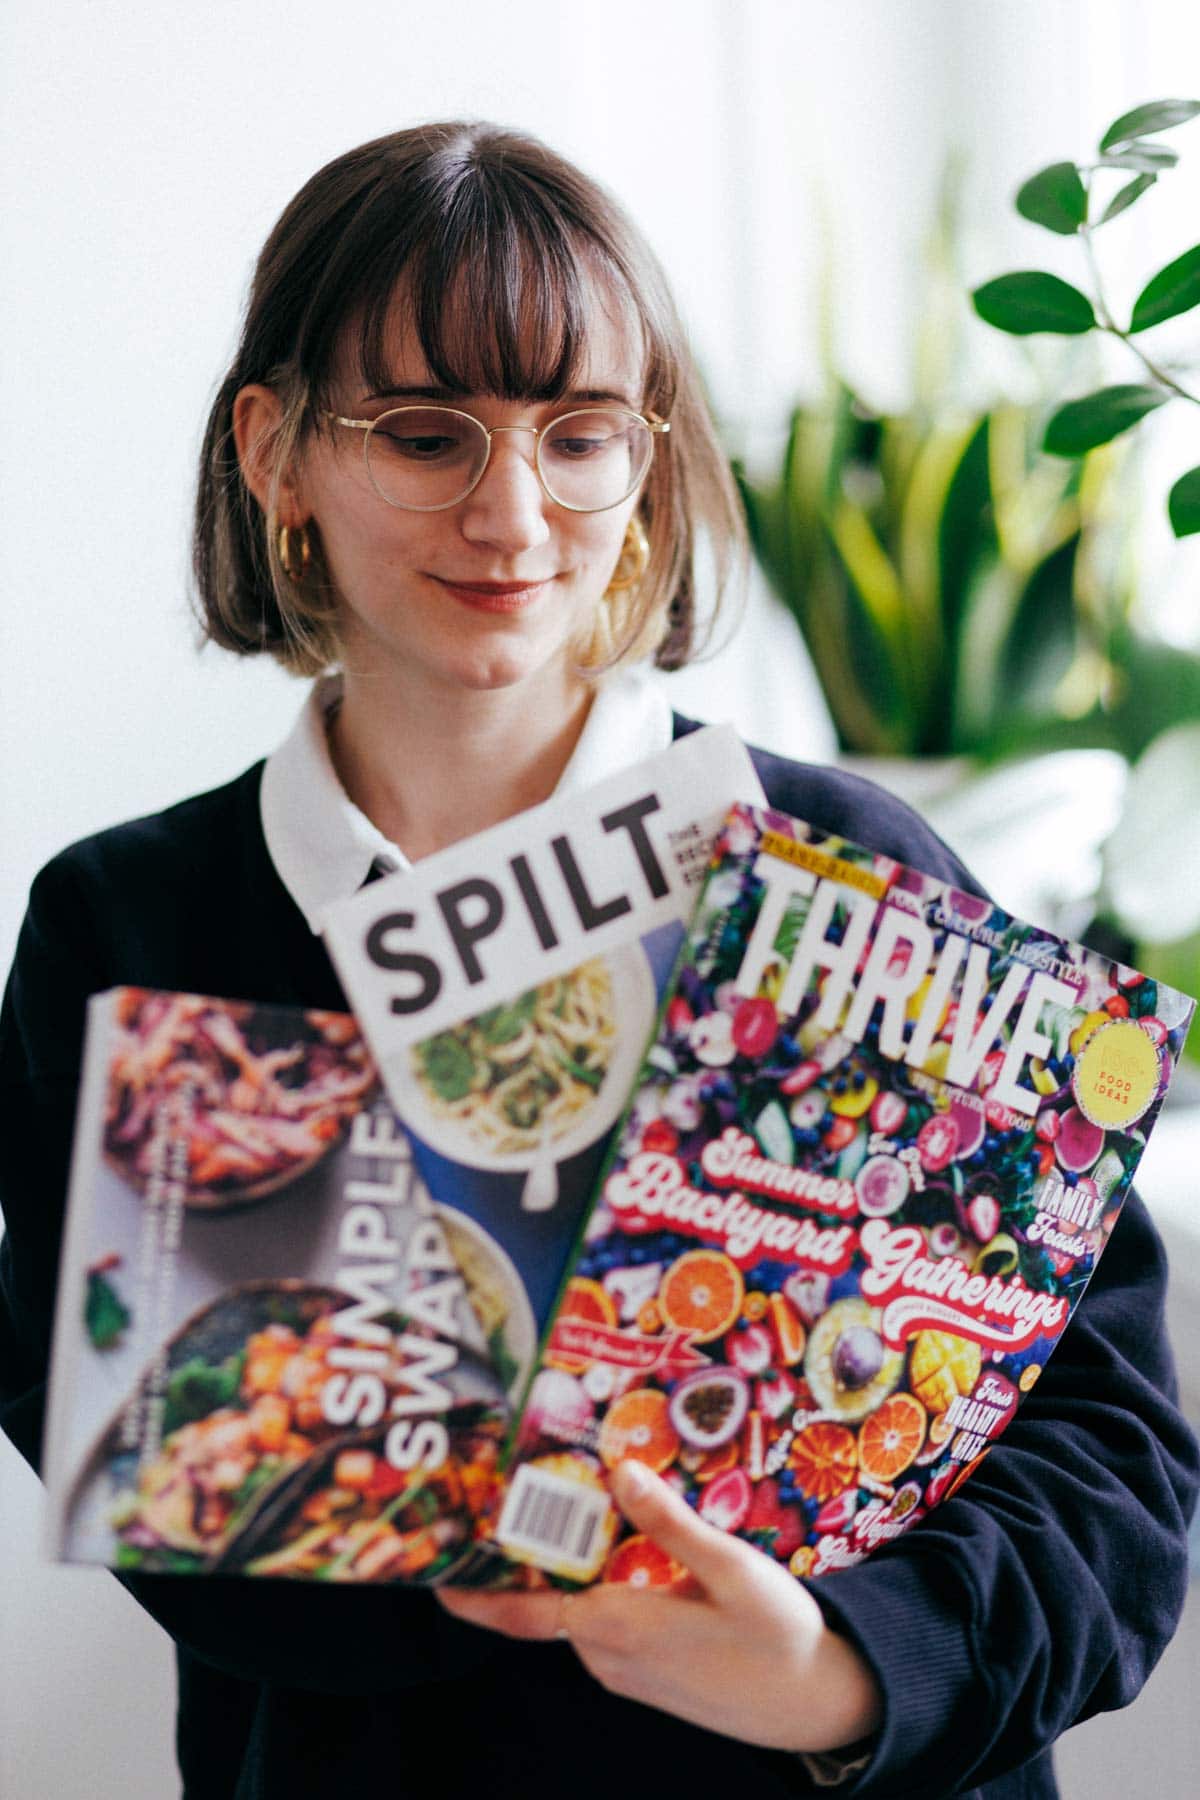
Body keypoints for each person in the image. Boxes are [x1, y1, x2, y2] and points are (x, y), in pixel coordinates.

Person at [0, 121, 1195, 1800]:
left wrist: (848, 1667)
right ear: (274, 454)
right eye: (424, 435)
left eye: (579, 435)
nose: (513, 513)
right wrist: (493, 1567)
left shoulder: (840, 869)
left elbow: (1114, 1452)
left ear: (649, 454)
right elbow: (139, 1470)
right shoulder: (135, 931)